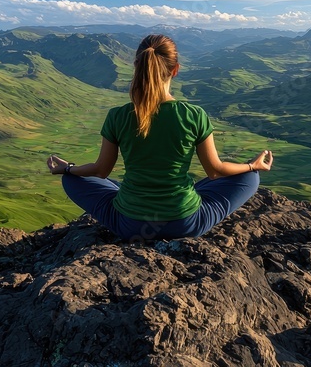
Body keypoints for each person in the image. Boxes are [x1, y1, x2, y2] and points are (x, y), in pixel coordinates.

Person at [46, 33, 273, 241]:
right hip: (186, 224)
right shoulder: (194, 115)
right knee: (249, 178)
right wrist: (252, 166)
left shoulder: (118, 116)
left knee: (73, 179)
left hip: (129, 225)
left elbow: (100, 171)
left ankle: (127, 196)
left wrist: (67, 169)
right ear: (175, 69)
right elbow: (215, 171)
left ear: (137, 66)